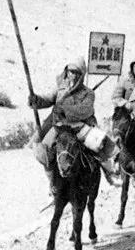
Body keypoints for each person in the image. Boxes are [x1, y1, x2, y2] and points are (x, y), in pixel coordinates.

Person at [29, 57, 97, 194]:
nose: (73, 75)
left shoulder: (88, 93)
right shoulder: (61, 88)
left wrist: (64, 109)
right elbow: (48, 99)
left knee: (99, 147)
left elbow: (85, 110)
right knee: (43, 151)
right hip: (59, 125)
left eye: (76, 72)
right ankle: (53, 183)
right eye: (70, 71)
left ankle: (109, 175)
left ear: (82, 75)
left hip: (79, 125)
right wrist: (37, 100)